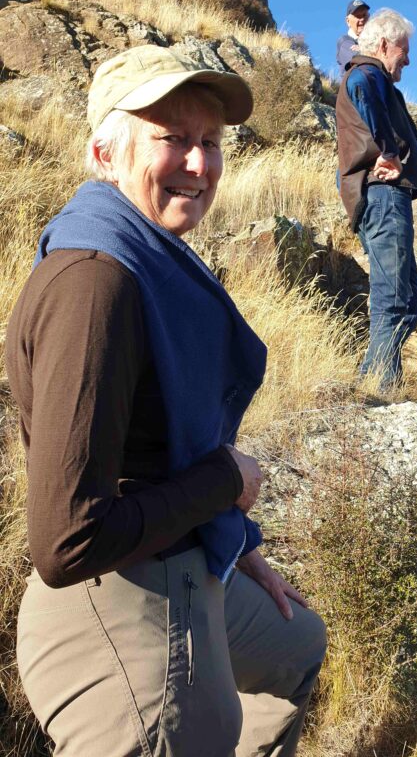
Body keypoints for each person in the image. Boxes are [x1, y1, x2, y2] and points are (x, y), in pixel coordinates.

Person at [13, 45, 327, 754]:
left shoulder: (146, 254)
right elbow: (68, 542)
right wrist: (227, 480)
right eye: (173, 138)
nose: (199, 163)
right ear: (105, 151)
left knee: (298, 642)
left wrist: (233, 539)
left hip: (182, 551)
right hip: (114, 589)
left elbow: (157, 443)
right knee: (193, 731)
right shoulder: (95, 282)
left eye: (210, 141)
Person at [335, 8, 417, 394]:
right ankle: (379, 392)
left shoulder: (374, 77)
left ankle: (371, 381)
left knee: (411, 303)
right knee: (393, 300)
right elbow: (360, 87)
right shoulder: (367, 72)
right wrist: (388, 150)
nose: (408, 58)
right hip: (384, 197)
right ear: (385, 44)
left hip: (387, 198)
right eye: (403, 49)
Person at [334, 0, 367, 75]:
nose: (362, 19)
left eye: (364, 15)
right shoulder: (345, 41)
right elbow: (358, 59)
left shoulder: (374, 41)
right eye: (357, 16)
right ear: (348, 21)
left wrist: (363, 49)